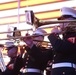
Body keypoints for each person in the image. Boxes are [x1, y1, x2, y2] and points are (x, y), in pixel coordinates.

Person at [48, 7, 76, 75]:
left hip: (66, 71)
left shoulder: (74, 35)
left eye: (64, 19)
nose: (60, 23)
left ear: (72, 21)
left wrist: (52, 35)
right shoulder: (65, 37)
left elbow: (61, 48)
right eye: (60, 20)